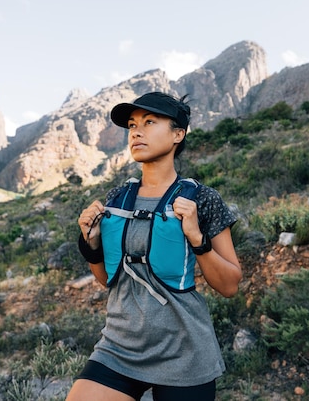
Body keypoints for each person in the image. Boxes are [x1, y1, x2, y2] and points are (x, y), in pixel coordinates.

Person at [66, 92, 242, 401]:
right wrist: (91, 244)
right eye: (132, 125)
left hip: (184, 350)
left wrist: (197, 239)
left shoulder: (202, 199)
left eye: (149, 122)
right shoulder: (118, 198)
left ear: (178, 134)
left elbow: (229, 285)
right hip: (119, 346)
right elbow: (109, 280)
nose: (136, 131)